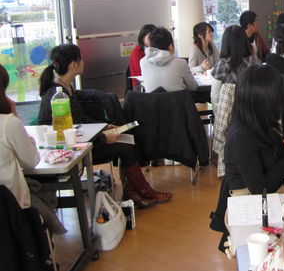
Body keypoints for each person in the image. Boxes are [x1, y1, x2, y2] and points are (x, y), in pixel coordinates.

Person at [38, 44, 171, 208]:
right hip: (69, 150)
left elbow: (80, 122)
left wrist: (104, 126)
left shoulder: (64, 88)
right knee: (126, 148)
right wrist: (104, 138)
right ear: (73, 64)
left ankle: (135, 191)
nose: (83, 62)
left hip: (78, 142)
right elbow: (72, 130)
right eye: (81, 59)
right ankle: (142, 192)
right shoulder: (58, 95)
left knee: (127, 141)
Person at [211, 64, 284, 250]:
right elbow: (261, 189)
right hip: (252, 210)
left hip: (265, 199)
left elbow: (269, 157)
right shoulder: (241, 137)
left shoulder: (257, 122)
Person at [0, 64, 39, 209]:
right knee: (45, 195)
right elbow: (31, 161)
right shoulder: (8, 123)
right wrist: (15, 116)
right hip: (12, 209)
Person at [210, 25, 260, 112]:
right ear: (245, 41)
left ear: (225, 43)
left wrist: (217, 115)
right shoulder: (255, 61)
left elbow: (215, 96)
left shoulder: (221, 65)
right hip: (254, 112)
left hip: (230, 114)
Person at [140, 26, 198, 92]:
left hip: (152, 99)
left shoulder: (143, 62)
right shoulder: (180, 63)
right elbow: (193, 87)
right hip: (176, 98)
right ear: (170, 46)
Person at [128, 24, 156, 88]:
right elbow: (141, 72)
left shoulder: (156, 48)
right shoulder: (137, 52)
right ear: (142, 38)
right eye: (149, 38)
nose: (153, 40)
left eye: (154, 37)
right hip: (139, 84)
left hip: (153, 80)